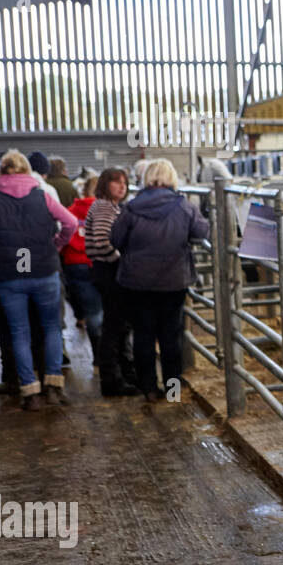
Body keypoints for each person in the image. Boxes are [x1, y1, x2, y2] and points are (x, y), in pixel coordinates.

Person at [0, 150, 77, 410]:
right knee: (52, 328)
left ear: (1, 172)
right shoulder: (43, 196)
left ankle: (30, 391)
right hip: (44, 269)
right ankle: (53, 386)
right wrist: (56, 244)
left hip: (9, 274)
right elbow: (71, 222)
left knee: (19, 332)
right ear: (26, 171)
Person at [110, 159, 208, 402]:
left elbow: (115, 239)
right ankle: (173, 390)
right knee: (170, 336)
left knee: (143, 334)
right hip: (173, 281)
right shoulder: (183, 206)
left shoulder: (131, 208)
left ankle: (149, 389)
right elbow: (201, 232)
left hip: (137, 282)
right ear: (172, 178)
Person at [84, 167, 137, 396]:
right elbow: (103, 241)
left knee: (119, 325)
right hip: (109, 270)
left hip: (107, 270)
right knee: (114, 326)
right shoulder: (105, 207)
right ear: (105, 185)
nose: (122, 187)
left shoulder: (111, 206)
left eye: (124, 182)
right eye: (116, 182)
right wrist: (123, 260)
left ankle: (125, 373)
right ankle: (112, 379)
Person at [62, 176, 103, 363]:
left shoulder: (70, 212)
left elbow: (62, 237)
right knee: (104, 311)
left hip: (75, 264)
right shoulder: (106, 211)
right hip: (101, 263)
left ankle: (97, 353)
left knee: (92, 312)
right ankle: (105, 355)